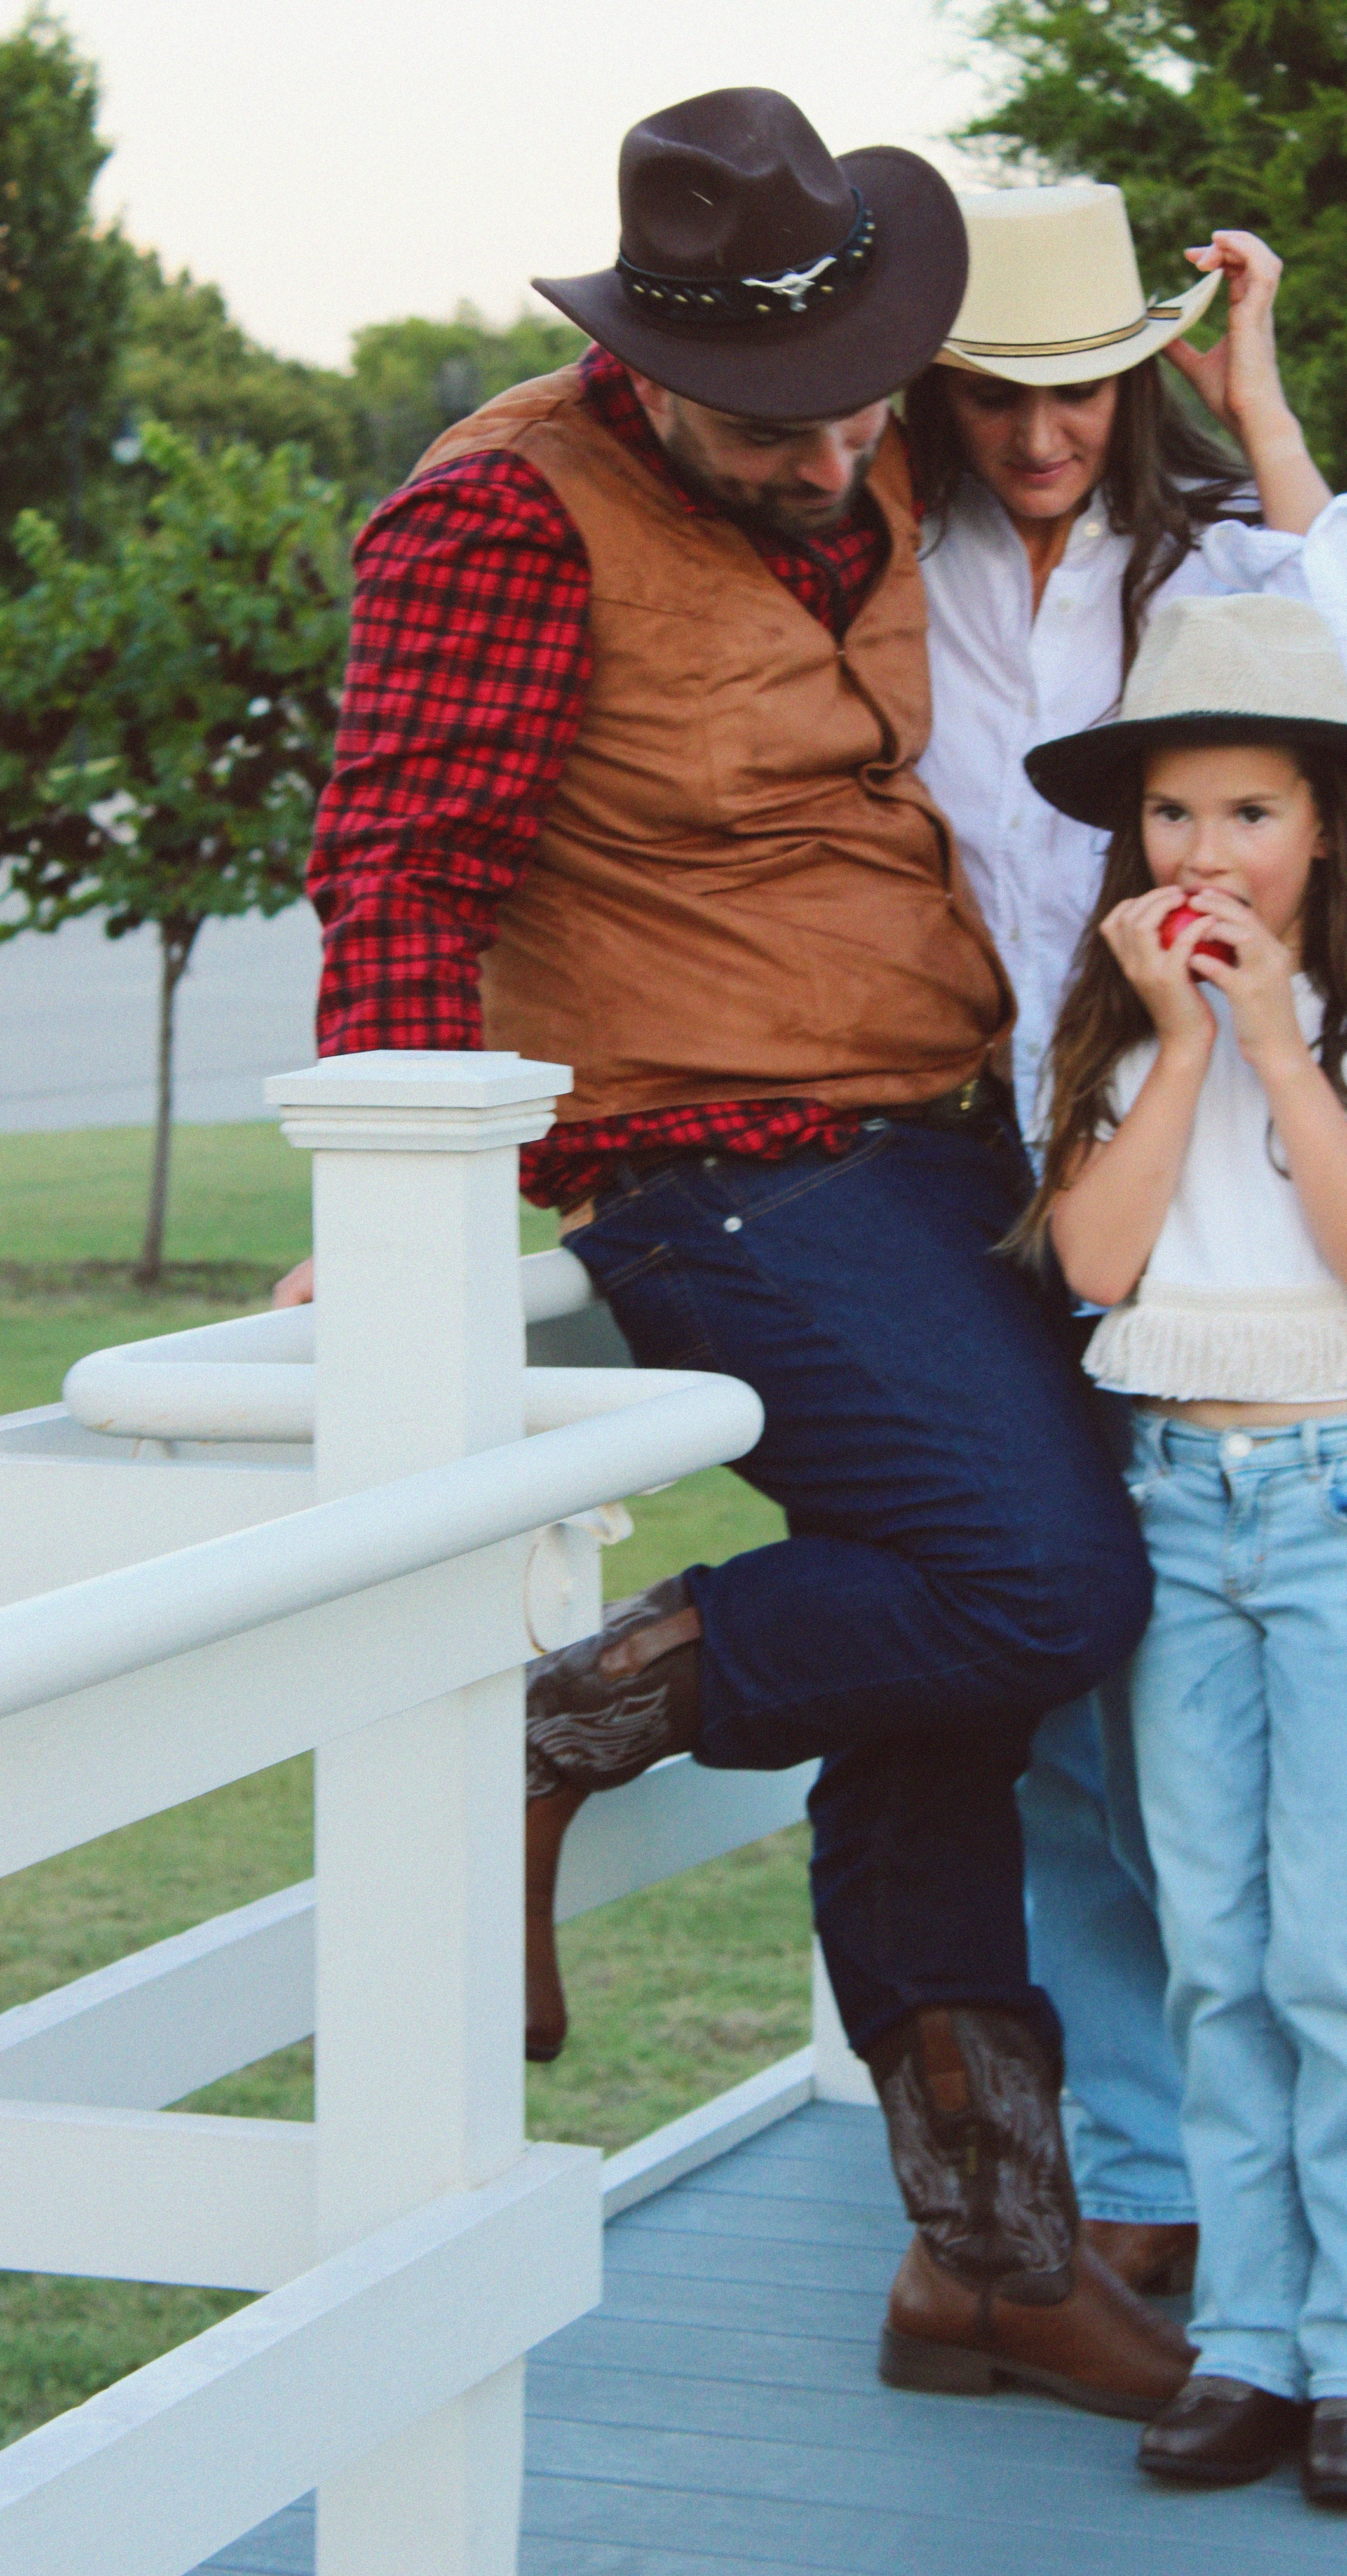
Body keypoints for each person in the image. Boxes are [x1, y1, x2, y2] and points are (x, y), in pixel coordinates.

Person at [295, 86, 1191, 2420]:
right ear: (646, 355)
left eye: (855, 407)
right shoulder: (501, 509)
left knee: (955, 1694)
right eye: (769, 426)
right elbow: (402, 866)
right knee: (1039, 1584)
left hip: (941, 1144)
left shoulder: (873, 433)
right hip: (715, 1163)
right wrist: (386, 1200)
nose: (831, 467)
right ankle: (554, 1724)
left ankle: (985, 2262)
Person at [909, 179, 1347, 2295]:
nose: (1042, 440)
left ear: (1137, 372)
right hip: (1019, 1147)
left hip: (1225, 1148)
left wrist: (1264, 403)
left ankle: (1289, 2218)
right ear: (935, 391)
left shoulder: (1221, 556)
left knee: (1229, 1740)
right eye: (993, 397)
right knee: (1059, 1681)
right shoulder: (894, 562)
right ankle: (1142, 2177)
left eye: (1080, 393)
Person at [1020, 590, 1347, 2506]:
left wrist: (1272, 1044)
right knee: (1212, 1957)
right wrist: (1172, 1048)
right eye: (1167, 818)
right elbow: (1093, 1266)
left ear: (1323, 823)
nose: (1201, 853)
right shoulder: (1105, 1027)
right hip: (1177, 1501)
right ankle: (1249, 2342)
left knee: (1335, 1947)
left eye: (1244, 814)